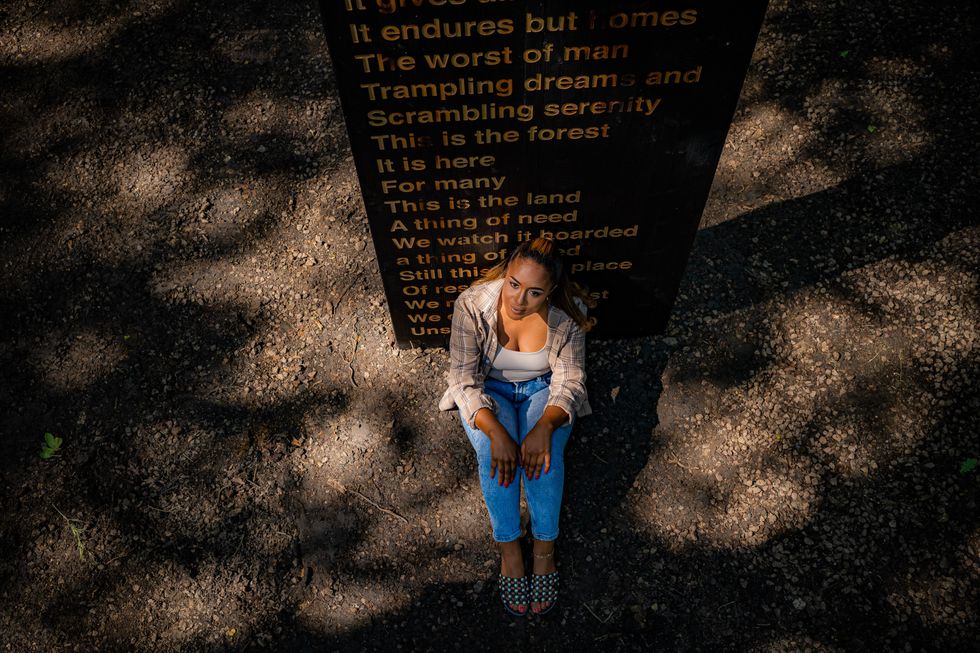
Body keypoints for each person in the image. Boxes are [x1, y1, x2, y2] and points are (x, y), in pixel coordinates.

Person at [439, 236, 595, 617]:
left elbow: (571, 382)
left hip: (543, 390)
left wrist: (545, 425)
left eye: (534, 292)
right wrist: (496, 433)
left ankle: (544, 549)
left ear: (552, 291)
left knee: (544, 456)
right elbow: (462, 380)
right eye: (514, 284)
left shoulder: (569, 314)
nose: (518, 299)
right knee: (496, 458)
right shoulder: (473, 304)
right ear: (506, 273)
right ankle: (510, 550)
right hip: (488, 390)